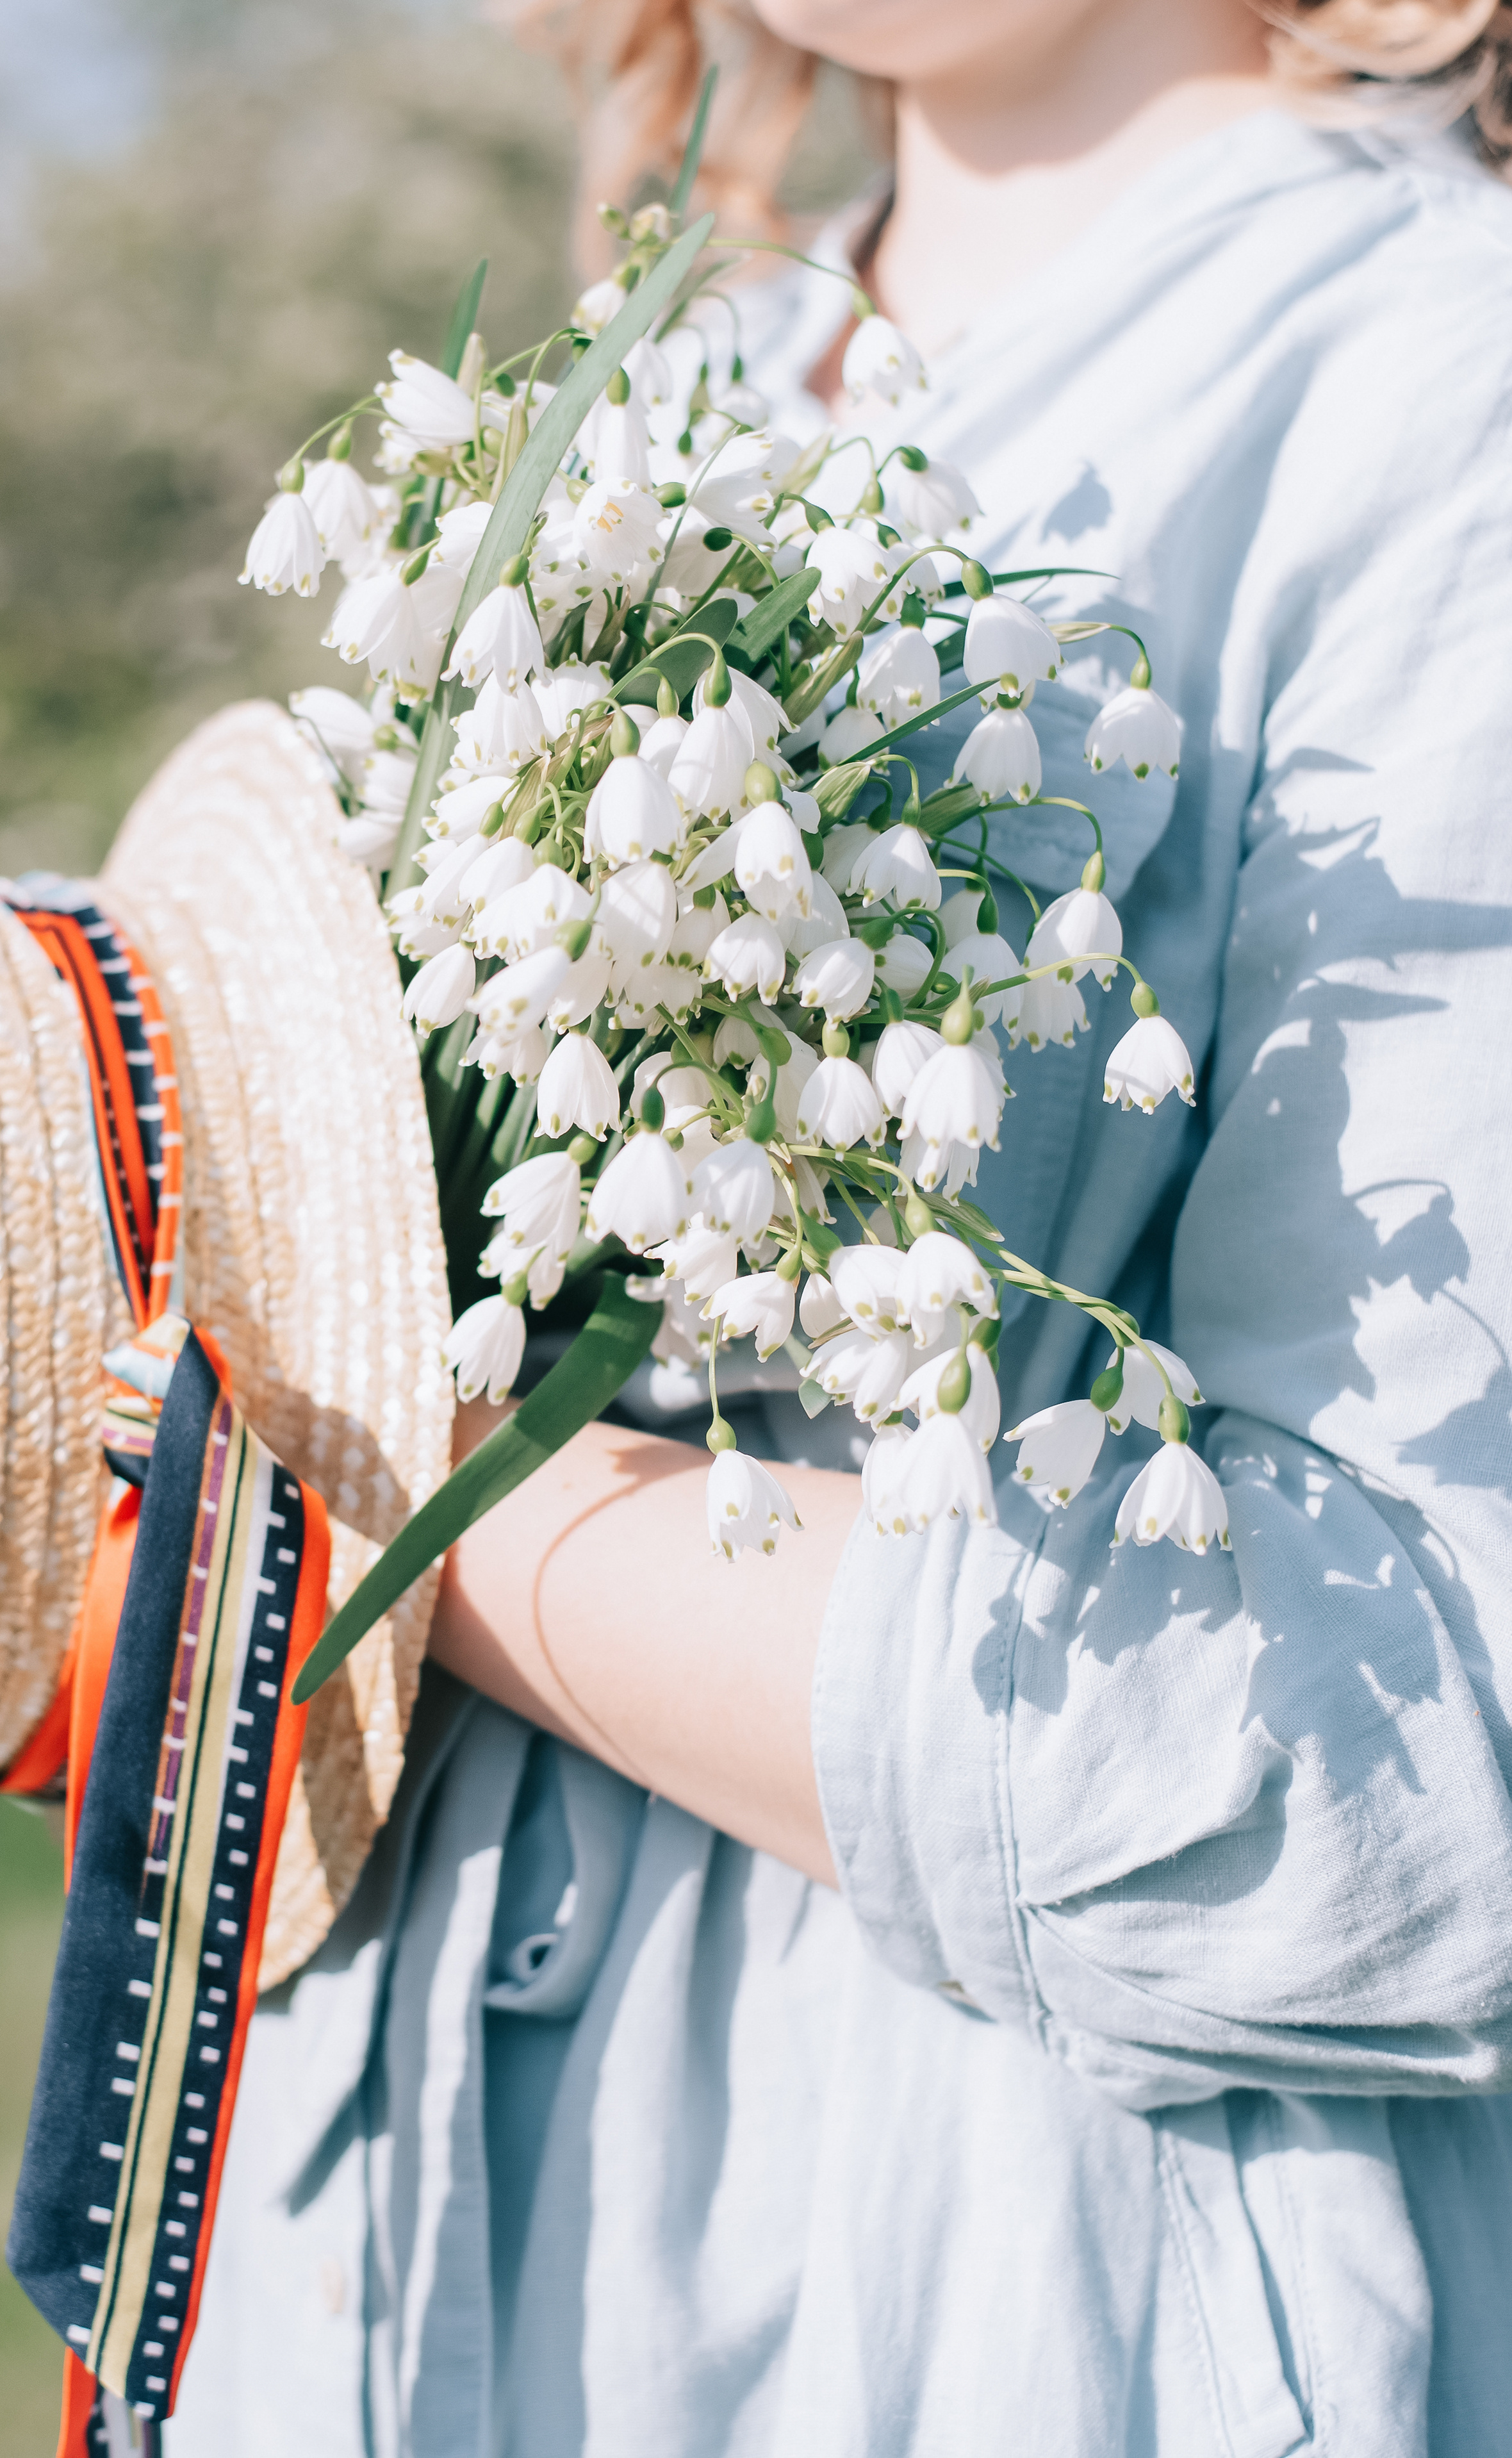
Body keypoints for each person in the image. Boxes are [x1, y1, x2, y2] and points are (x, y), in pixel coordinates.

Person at [168, 3, 1512, 2450]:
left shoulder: (1443, 391)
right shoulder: (681, 372)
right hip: (372, 2274)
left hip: (994, 2309)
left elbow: (1412, 1766)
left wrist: (381, 1452)